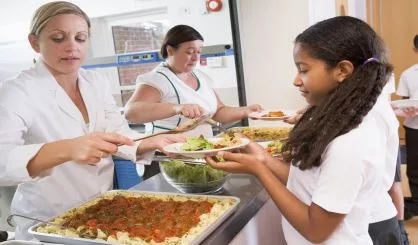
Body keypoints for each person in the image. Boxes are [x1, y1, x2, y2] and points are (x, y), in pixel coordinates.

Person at [0, 1, 185, 240]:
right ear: (35, 42)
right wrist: (68, 148)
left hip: (100, 211)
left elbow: (119, 132)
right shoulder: (17, 91)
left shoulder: (96, 83)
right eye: (58, 38)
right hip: (47, 220)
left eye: (80, 38)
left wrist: (153, 141)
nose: (71, 47)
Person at [207, 16, 399, 244]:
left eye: (304, 70)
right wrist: (263, 158)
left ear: (342, 70)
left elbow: (315, 230)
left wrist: (259, 170)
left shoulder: (350, 143)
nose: (296, 81)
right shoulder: (338, 123)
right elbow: (310, 185)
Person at [124, 24, 262, 138]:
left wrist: (247, 111)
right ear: (170, 50)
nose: (196, 58)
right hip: (169, 154)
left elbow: (218, 112)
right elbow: (131, 112)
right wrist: (176, 108)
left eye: (199, 51)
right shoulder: (158, 79)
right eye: (190, 52)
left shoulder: (200, 76)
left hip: (202, 149)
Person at [395, 34, 418, 220]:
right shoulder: (408, 74)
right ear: (415, 51)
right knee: (414, 169)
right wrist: (406, 109)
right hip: (414, 128)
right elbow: (404, 103)